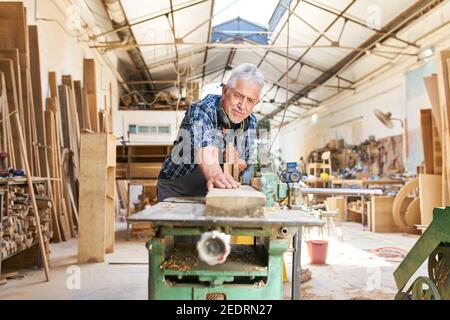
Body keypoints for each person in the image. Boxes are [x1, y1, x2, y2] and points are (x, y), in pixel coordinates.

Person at [157, 63, 264, 201]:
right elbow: (206, 150)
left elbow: (246, 163)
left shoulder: (251, 122)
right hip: (176, 189)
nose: (242, 106)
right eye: (238, 95)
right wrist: (215, 174)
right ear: (225, 91)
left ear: (256, 102)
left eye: (250, 100)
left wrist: (237, 160)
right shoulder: (201, 110)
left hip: (212, 190)